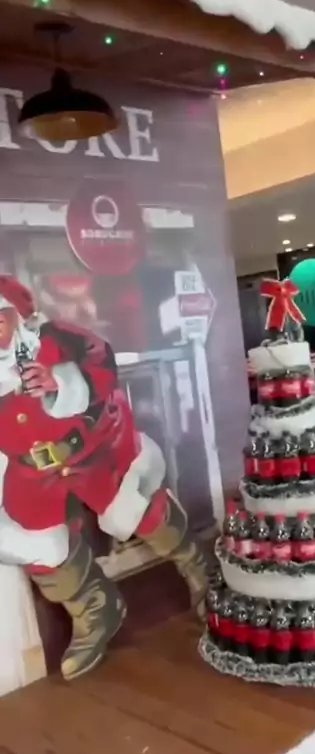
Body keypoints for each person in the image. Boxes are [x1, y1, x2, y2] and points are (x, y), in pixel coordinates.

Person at [0, 276, 207, 680]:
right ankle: (96, 609)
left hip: (96, 447)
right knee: (34, 540)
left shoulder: (55, 338)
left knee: (138, 509)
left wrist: (60, 380)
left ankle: (199, 567)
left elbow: (101, 360)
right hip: (33, 471)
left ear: (18, 317)